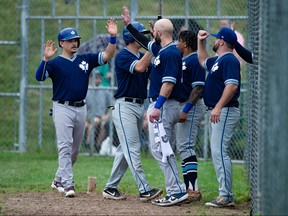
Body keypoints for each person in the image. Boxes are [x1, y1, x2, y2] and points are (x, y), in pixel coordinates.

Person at [35, 18, 118, 197]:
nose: (74, 43)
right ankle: (68, 184)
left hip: (81, 108)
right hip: (62, 107)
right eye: (70, 40)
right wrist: (45, 59)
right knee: (64, 146)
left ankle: (58, 179)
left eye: (76, 40)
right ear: (61, 43)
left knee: (74, 151)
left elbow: (107, 55)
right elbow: (40, 77)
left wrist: (112, 38)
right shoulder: (55, 63)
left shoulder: (85, 59)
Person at [122, 6, 188, 206]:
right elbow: (146, 43)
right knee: (164, 149)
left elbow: (168, 83)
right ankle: (179, 188)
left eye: (154, 33)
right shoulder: (164, 50)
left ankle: (176, 190)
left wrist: (157, 106)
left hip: (165, 105)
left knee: (161, 150)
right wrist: (129, 26)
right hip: (166, 105)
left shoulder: (169, 54)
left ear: (158, 33)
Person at [102, 21, 162, 202]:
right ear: (131, 38)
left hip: (138, 106)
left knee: (124, 149)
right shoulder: (123, 56)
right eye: (140, 34)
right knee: (133, 148)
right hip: (124, 106)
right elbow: (140, 67)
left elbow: (154, 72)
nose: (142, 37)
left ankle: (110, 188)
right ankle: (144, 189)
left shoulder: (144, 56)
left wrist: (158, 45)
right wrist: (152, 47)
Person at [197, 27, 241, 207]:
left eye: (216, 39)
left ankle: (226, 195)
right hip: (219, 111)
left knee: (219, 152)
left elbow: (232, 86)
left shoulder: (229, 59)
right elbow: (202, 60)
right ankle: (225, 193)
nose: (214, 41)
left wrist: (218, 107)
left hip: (225, 111)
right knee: (217, 152)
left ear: (222, 42)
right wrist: (200, 41)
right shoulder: (218, 60)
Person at [176, 30, 206, 202]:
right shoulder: (184, 59)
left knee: (186, 146)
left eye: (179, 41)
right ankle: (189, 188)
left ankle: (193, 189)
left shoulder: (194, 59)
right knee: (183, 147)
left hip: (192, 105)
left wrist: (186, 109)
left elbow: (198, 88)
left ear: (186, 43)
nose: (177, 43)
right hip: (185, 105)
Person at [85, 71, 114, 152]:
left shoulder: (104, 91)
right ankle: (89, 146)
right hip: (88, 118)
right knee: (94, 122)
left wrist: (107, 115)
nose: (98, 80)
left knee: (102, 125)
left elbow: (112, 105)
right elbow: (81, 107)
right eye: (96, 78)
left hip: (102, 118)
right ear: (90, 79)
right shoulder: (86, 91)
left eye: (99, 78)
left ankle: (97, 147)